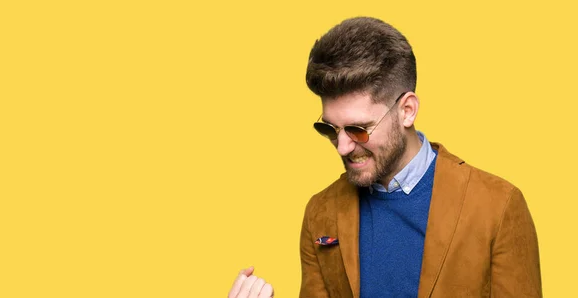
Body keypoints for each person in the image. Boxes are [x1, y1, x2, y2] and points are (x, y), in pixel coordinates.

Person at [229, 16, 541, 297]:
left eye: (358, 129)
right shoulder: (319, 214)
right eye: (330, 130)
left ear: (407, 111)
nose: (342, 147)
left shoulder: (497, 207)